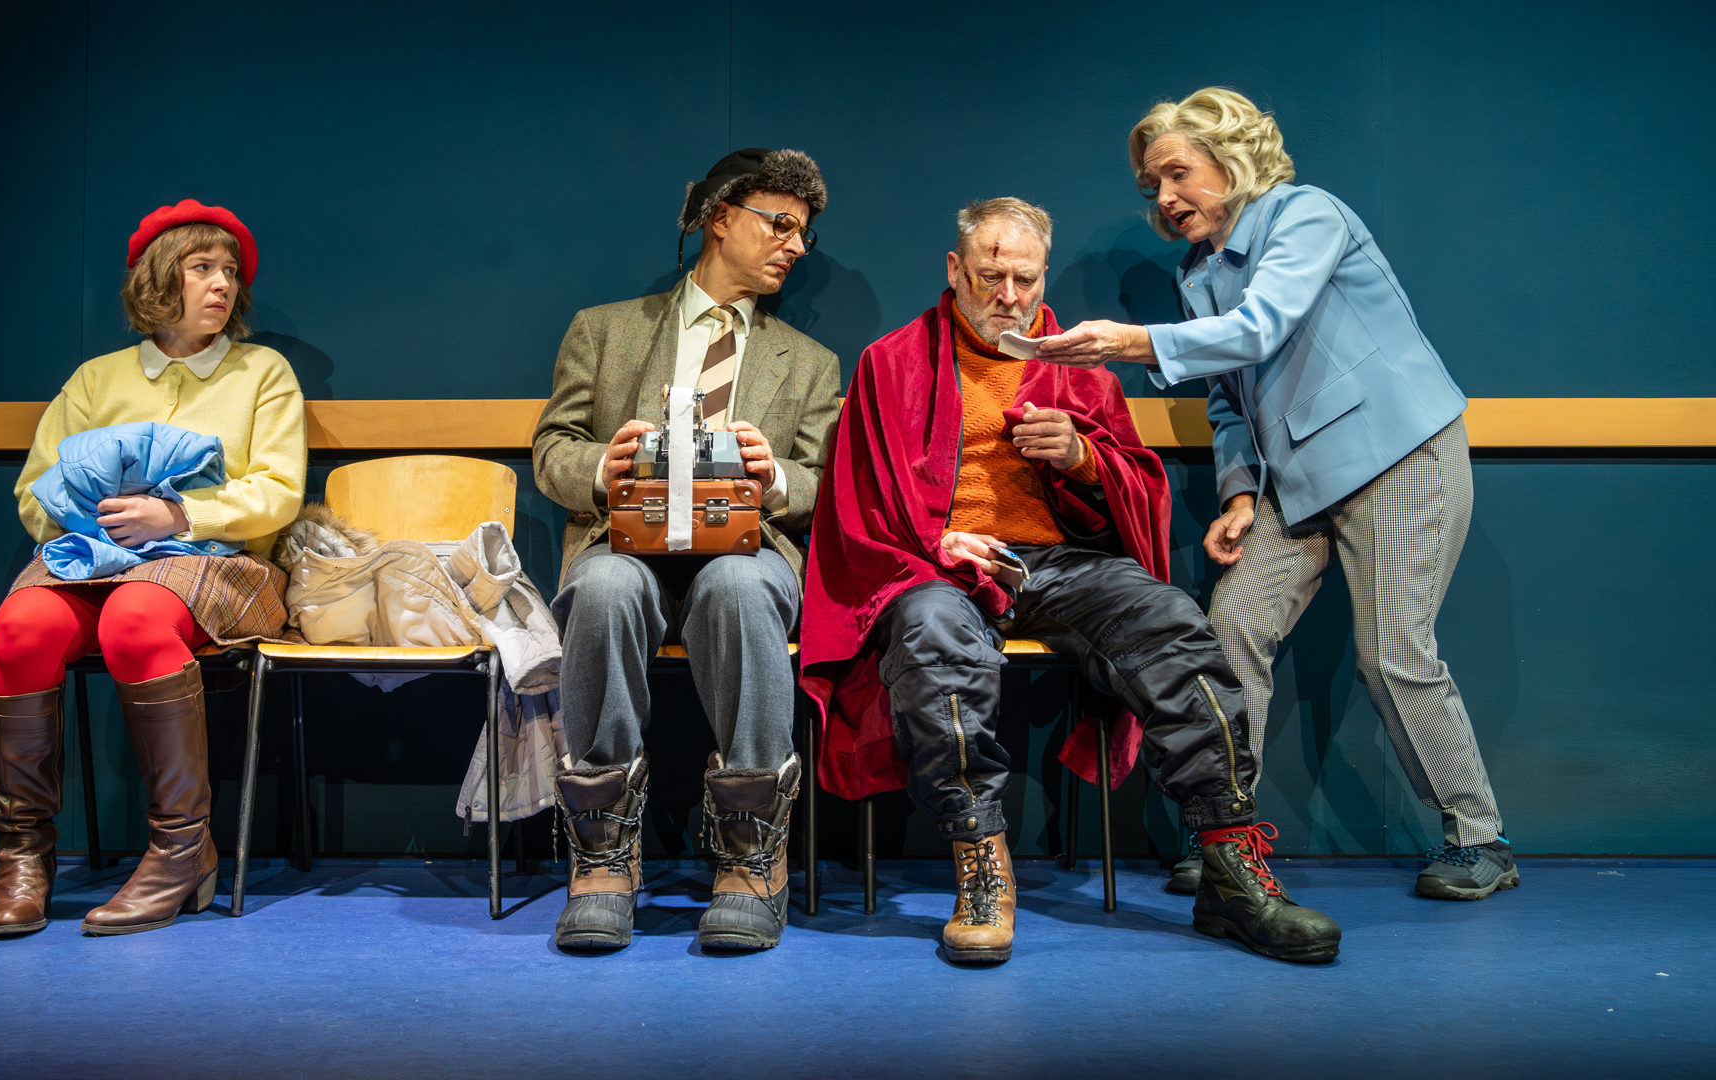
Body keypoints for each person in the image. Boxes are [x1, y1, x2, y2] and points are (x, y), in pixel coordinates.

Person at [801, 197, 1341, 964]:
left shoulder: (1077, 366)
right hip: (937, 566)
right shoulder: (891, 362)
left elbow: (1136, 489)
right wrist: (937, 540)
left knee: (1170, 621)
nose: (1008, 296)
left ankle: (1229, 860)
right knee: (931, 631)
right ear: (954, 269)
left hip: (1056, 564)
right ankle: (981, 860)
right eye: (989, 276)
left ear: (1043, 276)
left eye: (1024, 279)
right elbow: (857, 507)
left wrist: (1084, 460)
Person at [1040, 88, 1516, 902]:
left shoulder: (1305, 215)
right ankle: (1228, 836)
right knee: (1228, 633)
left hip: (1397, 454)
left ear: (1231, 159)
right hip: (1296, 487)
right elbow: (1229, 404)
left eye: (1178, 173)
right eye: (1153, 185)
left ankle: (1480, 839)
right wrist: (1236, 497)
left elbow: (1262, 326)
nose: (1165, 197)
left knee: (1393, 655)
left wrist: (1131, 341)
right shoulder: (1197, 274)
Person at [532, 149, 840, 951]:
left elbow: (822, 480)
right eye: (780, 224)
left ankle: (751, 851)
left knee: (739, 586)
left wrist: (777, 477)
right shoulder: (604, 330)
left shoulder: (809, 363)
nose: (795, 246)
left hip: (747, 547)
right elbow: (552, 449)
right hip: (624, 540)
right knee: (603, 589)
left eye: (803, 233)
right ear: (720, 218)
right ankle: (603, 852)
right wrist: (603, 465)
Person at [0, 200, 305, 937]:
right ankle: (23, 856)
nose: (222, 284)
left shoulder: (262, 372)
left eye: (229, 272)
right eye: (202, 268)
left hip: (221, 563)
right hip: (92, 558)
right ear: (160, 279)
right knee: (20, 628)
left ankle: (182, 851)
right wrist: (95, 525)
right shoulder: (97, 380)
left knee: (135, 616)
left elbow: (278, 491)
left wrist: (180, 517)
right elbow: (35, 491)